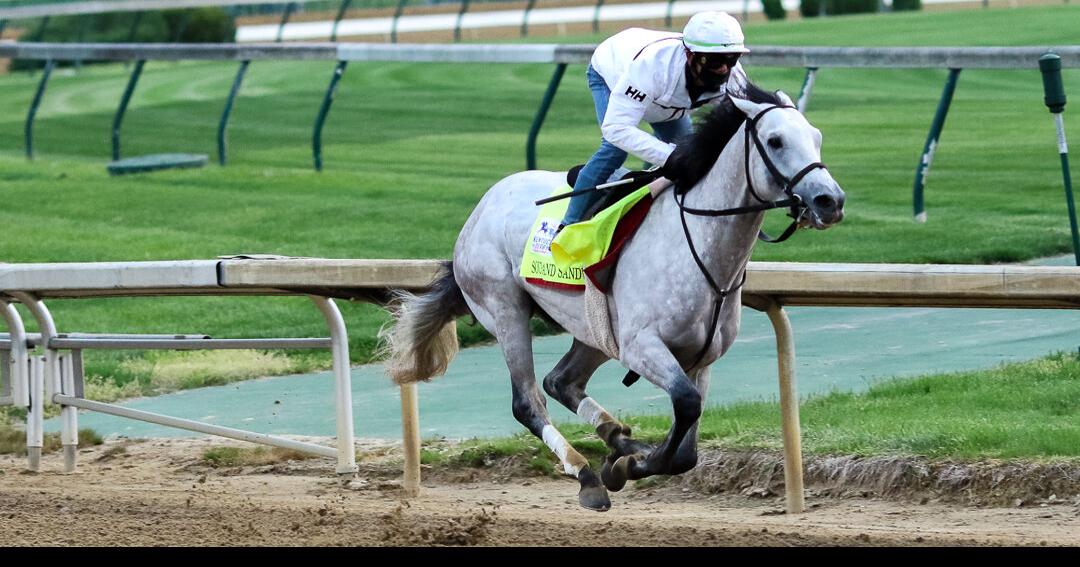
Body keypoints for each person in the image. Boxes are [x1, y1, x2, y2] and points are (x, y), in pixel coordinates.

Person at [559, 11, 751, 229]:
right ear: (690, 55)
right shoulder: (652, 67)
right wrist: (669, 156)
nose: (725, 68)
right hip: (610, 73)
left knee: (693, 158)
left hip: (663, 103)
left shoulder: (734, 76)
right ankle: (567, 225)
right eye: (715, 60)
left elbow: (742, 124)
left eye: (732, 58)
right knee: (614, 150)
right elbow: (616, 128)